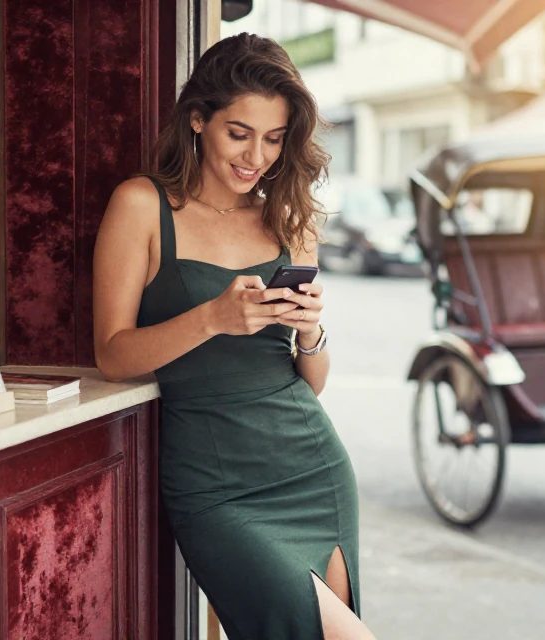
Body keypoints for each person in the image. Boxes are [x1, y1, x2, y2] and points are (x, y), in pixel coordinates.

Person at [92, 33, 371, 640]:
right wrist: (211, 319)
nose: (256, 157)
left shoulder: (288, 220)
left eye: (273, 139)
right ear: (198, 119)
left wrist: (311, 329)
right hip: (214, 485)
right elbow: (112, 354)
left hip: (311, 466)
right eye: (239, 133)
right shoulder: (141, 206)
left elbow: (312, 382)